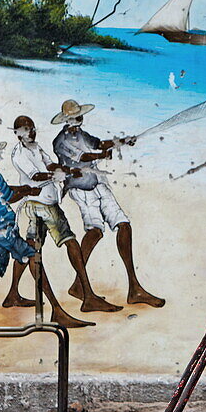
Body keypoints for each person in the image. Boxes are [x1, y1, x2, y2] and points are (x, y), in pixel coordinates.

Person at [0, 139, 91, 341]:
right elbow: (9, 196)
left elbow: (3, 192)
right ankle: (56, 310)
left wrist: (25, 189)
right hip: (3, 232)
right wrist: (28, 191)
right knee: (32, 257)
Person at [51, 99, 165, 309]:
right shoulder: (60, 141)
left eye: (80, 115)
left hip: (98, 183)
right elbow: (84, 156)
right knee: (95, 232)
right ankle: (80, 286)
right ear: (66, 120)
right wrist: (103, 153)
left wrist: (121, 141)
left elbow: (99, 144)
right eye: (75, 116)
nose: (80, 118)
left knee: (124, 225)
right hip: (80, 189)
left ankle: (135, 289)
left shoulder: (82, 134)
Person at [4, 115, 120, 313]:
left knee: (29, 248)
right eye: (26, 129)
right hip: (41, 205)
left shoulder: (36, 148)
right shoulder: (19, 154)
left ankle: (12, 294)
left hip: (44, 202)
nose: (32, 131)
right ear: (18, 134)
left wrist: (69, 170)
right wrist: (56, 175)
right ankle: (88, 296)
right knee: (70, 242)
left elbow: (50, 166)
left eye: (32, 128)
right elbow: (36, 175)